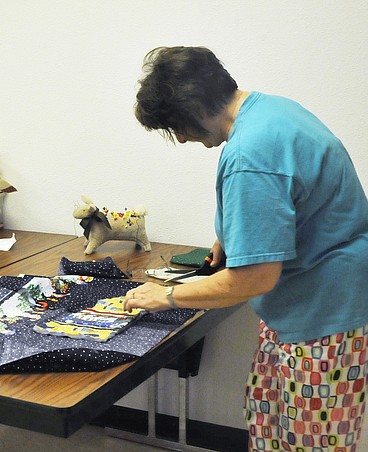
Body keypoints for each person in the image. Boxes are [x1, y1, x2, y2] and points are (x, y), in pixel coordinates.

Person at [126, 46, 368, 451]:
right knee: (268, 421)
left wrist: (167, 295)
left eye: (176, 128)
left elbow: (254, 278)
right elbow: (291, 198)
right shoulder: (270, 110)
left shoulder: (250, 154)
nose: (182, 139)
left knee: (309, 442)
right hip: (309, 304)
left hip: (323, 316)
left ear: (189, 110)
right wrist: (231, 236)